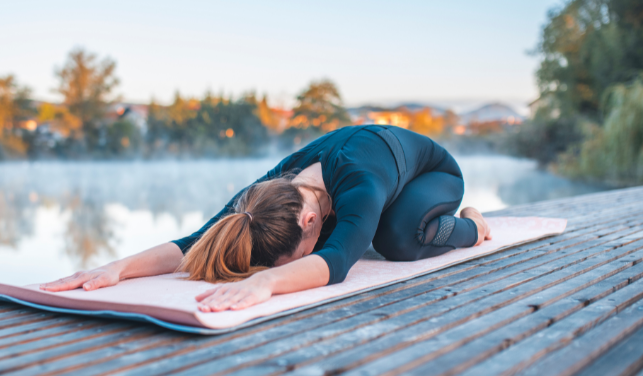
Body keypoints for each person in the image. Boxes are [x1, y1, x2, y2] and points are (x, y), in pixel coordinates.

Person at [40, 125, 492, 313]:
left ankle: (472, 224)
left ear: (310, 218)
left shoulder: (361, 183)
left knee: (395, 240)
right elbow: (196, 241)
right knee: (361, 227)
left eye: (289, 255)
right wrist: (116, 268)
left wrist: (266, 283)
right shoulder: (265, 194)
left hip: (433, 177)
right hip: (362, 188)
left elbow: (335, 262)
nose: (278, 268)